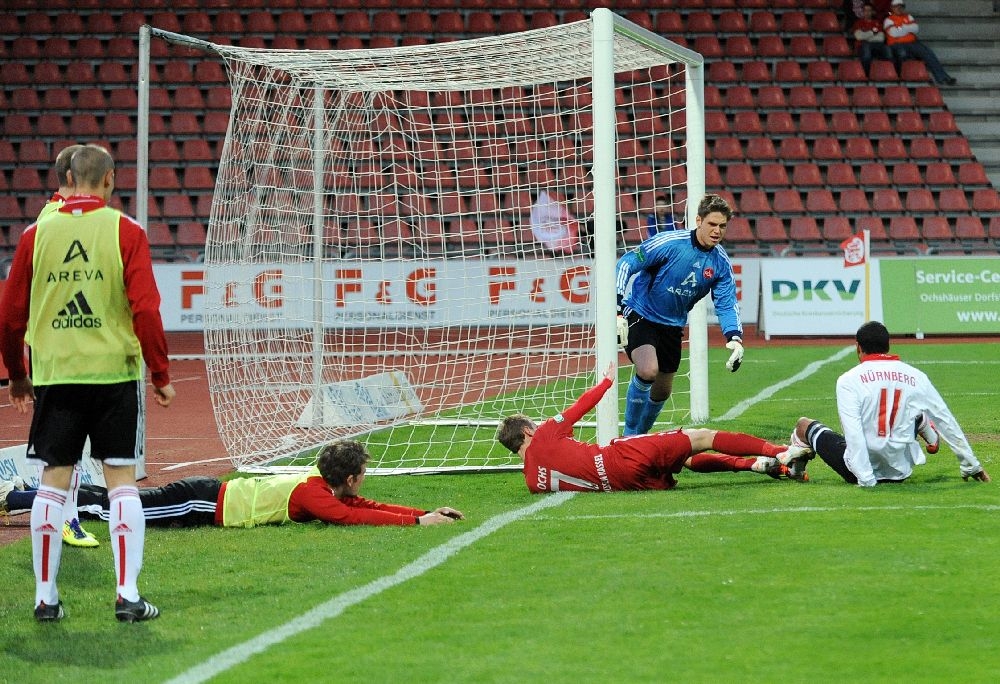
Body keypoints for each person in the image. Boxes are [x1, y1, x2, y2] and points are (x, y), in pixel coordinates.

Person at [0, 144, 176, 623]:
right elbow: (146, 308)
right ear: (110, 179)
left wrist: (17, 374)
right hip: (113, 374)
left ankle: (45, 599)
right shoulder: (126, 230)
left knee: (52, 483)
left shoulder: (36, 234)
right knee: (121, 481)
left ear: (70, 179)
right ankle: (127, 595)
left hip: (57, 375)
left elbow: (11, 316)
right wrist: (160, 374)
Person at [496, 362, 811, 492]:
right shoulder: (545, 434)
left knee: (685, 459)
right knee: (702, 436)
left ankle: (756, 465)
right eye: (534, 424)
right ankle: (780, 452)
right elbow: (580, 406)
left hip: (630, 484)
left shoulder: (532, 482)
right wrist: (606, 381)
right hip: (619, 457)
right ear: (527, 431)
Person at [2, 440, 465, 528]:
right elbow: (352, 516)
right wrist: (416, 524)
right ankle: (19, 498)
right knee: (117, 508)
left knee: (119, 501)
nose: (364, 480)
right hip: (202, 504)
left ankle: (20, 496)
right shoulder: (314, 495)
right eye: (361, 473)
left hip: (208, 495)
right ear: (347, 477)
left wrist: (422, 514)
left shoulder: (319, 484)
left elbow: (366, 505)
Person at [782, 321, 990, 486]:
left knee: (803, 426)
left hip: (860, 472)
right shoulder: (916, 376)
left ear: (858, 347)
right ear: (888, 346)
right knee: (907, 408)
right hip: (901, 471)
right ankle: (921, 420)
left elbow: (853, 434)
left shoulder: (848, 380)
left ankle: (795, 472)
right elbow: (945, 419)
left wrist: (866, 479)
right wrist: (970, 464)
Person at [615, 193, 743, 436]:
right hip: (641, 313)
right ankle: (629, 436)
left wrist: (734, 337)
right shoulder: (669, 242)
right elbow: (627, 263)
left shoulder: (720, 263)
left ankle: (640, 437)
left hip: (673, 326)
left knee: (662, 391)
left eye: (722, 226)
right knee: (648, 370)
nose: (717, 231)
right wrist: (618, 309)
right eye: (712, 224)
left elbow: (726, 302)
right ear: (698, 220)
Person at [32, 143, 100, 550]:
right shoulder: (57, 219)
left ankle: (65, 518)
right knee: (65, 443)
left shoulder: (55, 216)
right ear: (72, 177)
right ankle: (65, 519)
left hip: (63, 343)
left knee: (69, 442)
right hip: (62, 346)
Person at [883, 0, 956, 85]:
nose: (899, 9)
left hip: (912, 43)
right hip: (897, 45)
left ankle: (943, 78)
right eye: (896, 7)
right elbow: (894, 33)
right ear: (892, 8)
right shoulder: (888, 20)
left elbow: (915, 28)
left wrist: (901, 28)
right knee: (904, 54)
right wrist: (907, 29)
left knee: (928, 53)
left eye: (901, 7)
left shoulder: (908, 16)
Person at [851, 4, 893, 77]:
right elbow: (859, 37)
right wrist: (873, 33)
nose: (867, 12)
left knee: (888, 50)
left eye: (869, 10)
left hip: (877, 44)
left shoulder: (877, 23)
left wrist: (866, 35)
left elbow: (881, 37)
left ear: (872, 12)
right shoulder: (858, 23)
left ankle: (889, 73)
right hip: (862, 45)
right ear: (862, 12)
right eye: (865, 10)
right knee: (866, 52)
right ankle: (866, 75)